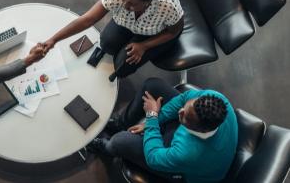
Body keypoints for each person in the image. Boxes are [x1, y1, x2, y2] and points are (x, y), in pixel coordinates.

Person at [89, 78, 238, 183]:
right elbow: (182, 100)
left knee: (121, 142)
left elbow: (153, 157)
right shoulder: (215, 98)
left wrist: (152, 117)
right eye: (185, 109)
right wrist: (152, 122)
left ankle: (105, 148)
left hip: (188, 171)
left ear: (199, 128)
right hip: (191, 143)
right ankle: (120, 123)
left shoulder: (187, 153)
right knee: (152, 85)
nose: (180, 112)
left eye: (185, 118)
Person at [42, 0, 184, 80]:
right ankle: (123, 45)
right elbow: (87, 19)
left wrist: (144, 46)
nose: (124, 4)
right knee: (107, 44)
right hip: (125, 24)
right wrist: (53, 40)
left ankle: (131, 50)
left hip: (153, 34)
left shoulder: (168, 6)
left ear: (147, 2)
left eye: (132, 3)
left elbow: (173, 32)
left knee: (123, 67)